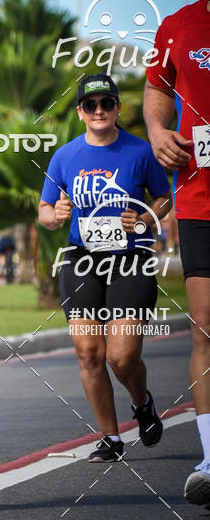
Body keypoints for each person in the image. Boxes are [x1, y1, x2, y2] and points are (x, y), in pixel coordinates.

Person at [39, 74, 172, 462]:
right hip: (82, 260)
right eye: (90, 105)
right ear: (80, 111)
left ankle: (142, 402)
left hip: (130, 260)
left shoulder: (140, 151)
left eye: (107, 104)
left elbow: (163, 198)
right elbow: (46, 210)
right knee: (89, 353)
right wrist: (55, 215)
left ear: (116, 108)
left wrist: (145, 220)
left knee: (122, 357)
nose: (99, 111)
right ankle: (111, 437)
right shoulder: (64, 156)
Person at [144, 0, 210, 507]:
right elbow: (156, 90)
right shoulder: (178, 26)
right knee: (205, 327)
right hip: (200, 200)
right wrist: (159, 129)